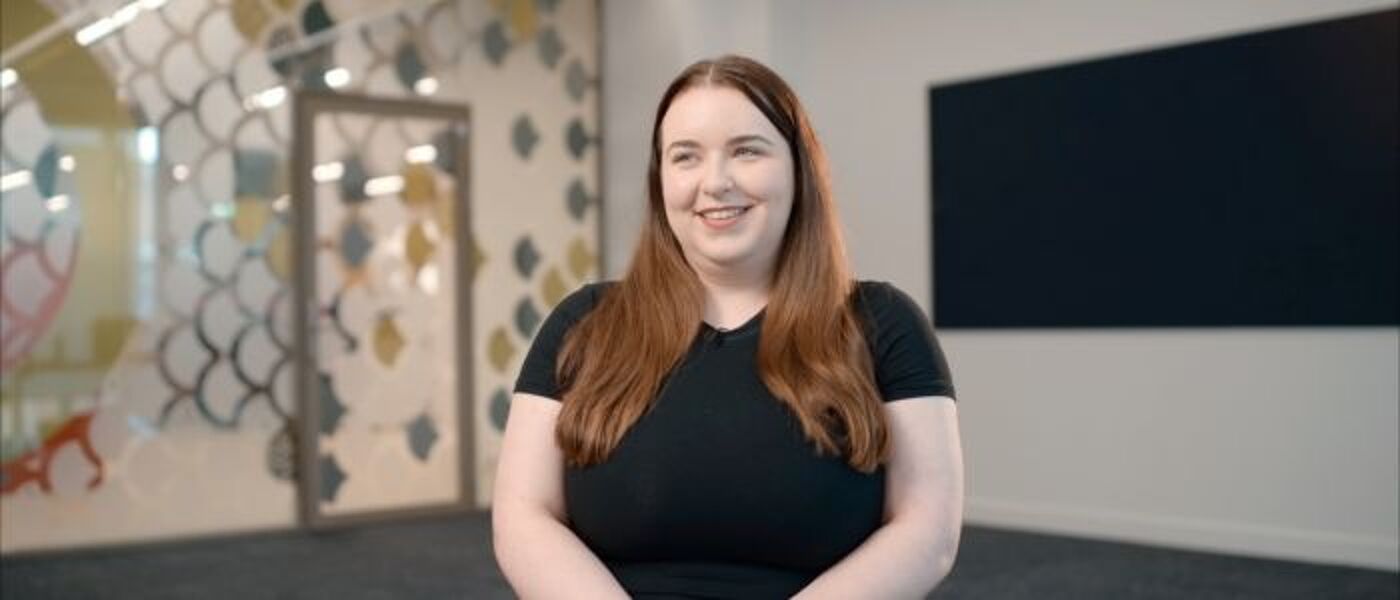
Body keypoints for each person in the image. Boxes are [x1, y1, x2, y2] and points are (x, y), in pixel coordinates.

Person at [493, 54, 963, 599]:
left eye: (746, 151)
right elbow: (524, 513)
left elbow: (926, 530)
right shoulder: (583, 322)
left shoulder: (884, 323)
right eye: (685, 156)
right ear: (660, 180)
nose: (715, 182)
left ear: (798, 168)